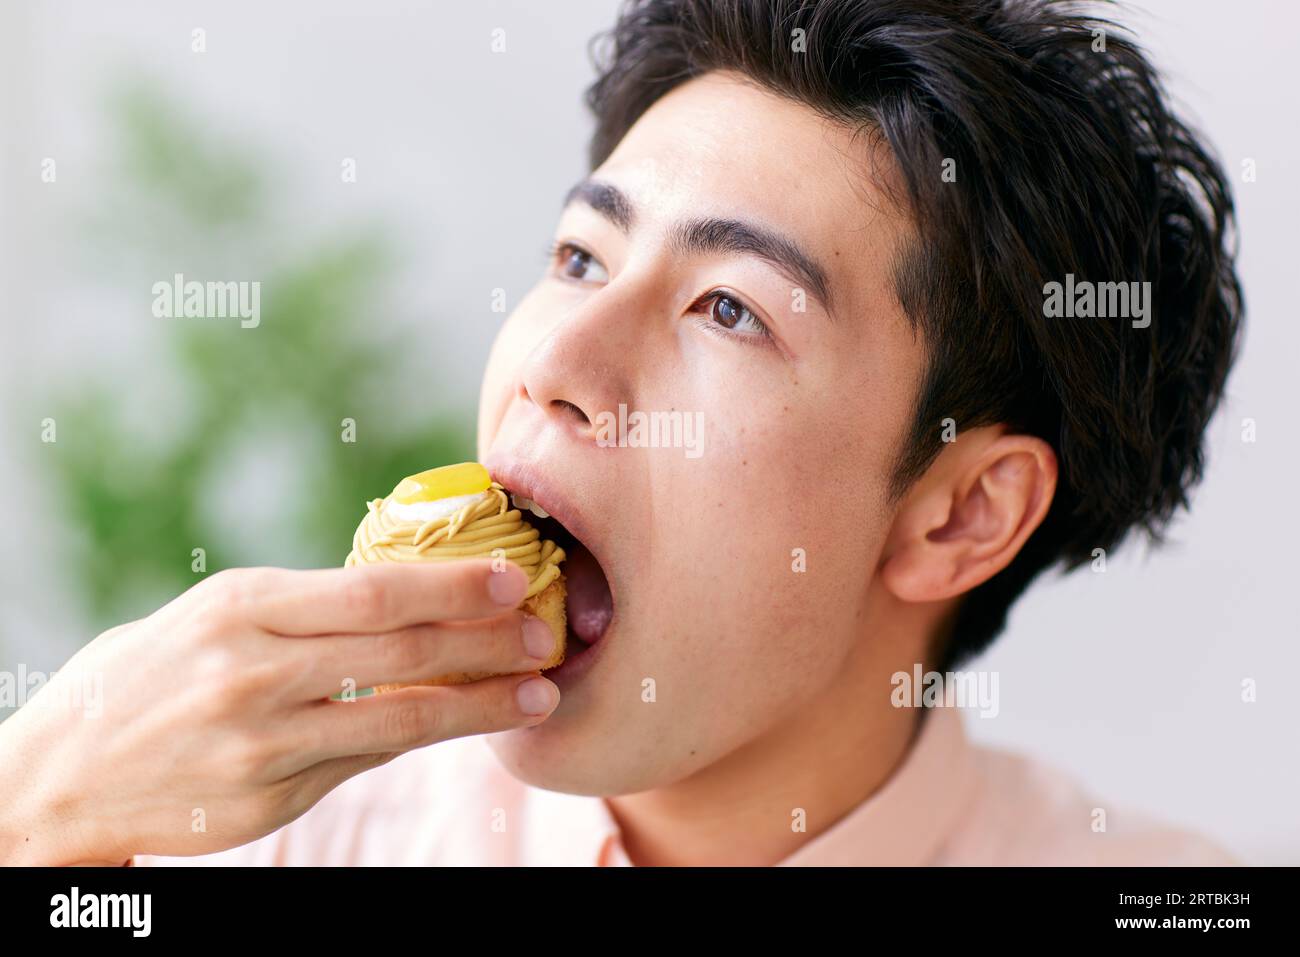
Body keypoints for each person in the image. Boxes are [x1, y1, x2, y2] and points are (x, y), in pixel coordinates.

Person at [1, 0, 1242, 867]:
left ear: (957, 511)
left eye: (727, 308)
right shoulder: (245, 846)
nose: (551, 363)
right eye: (579, 257)